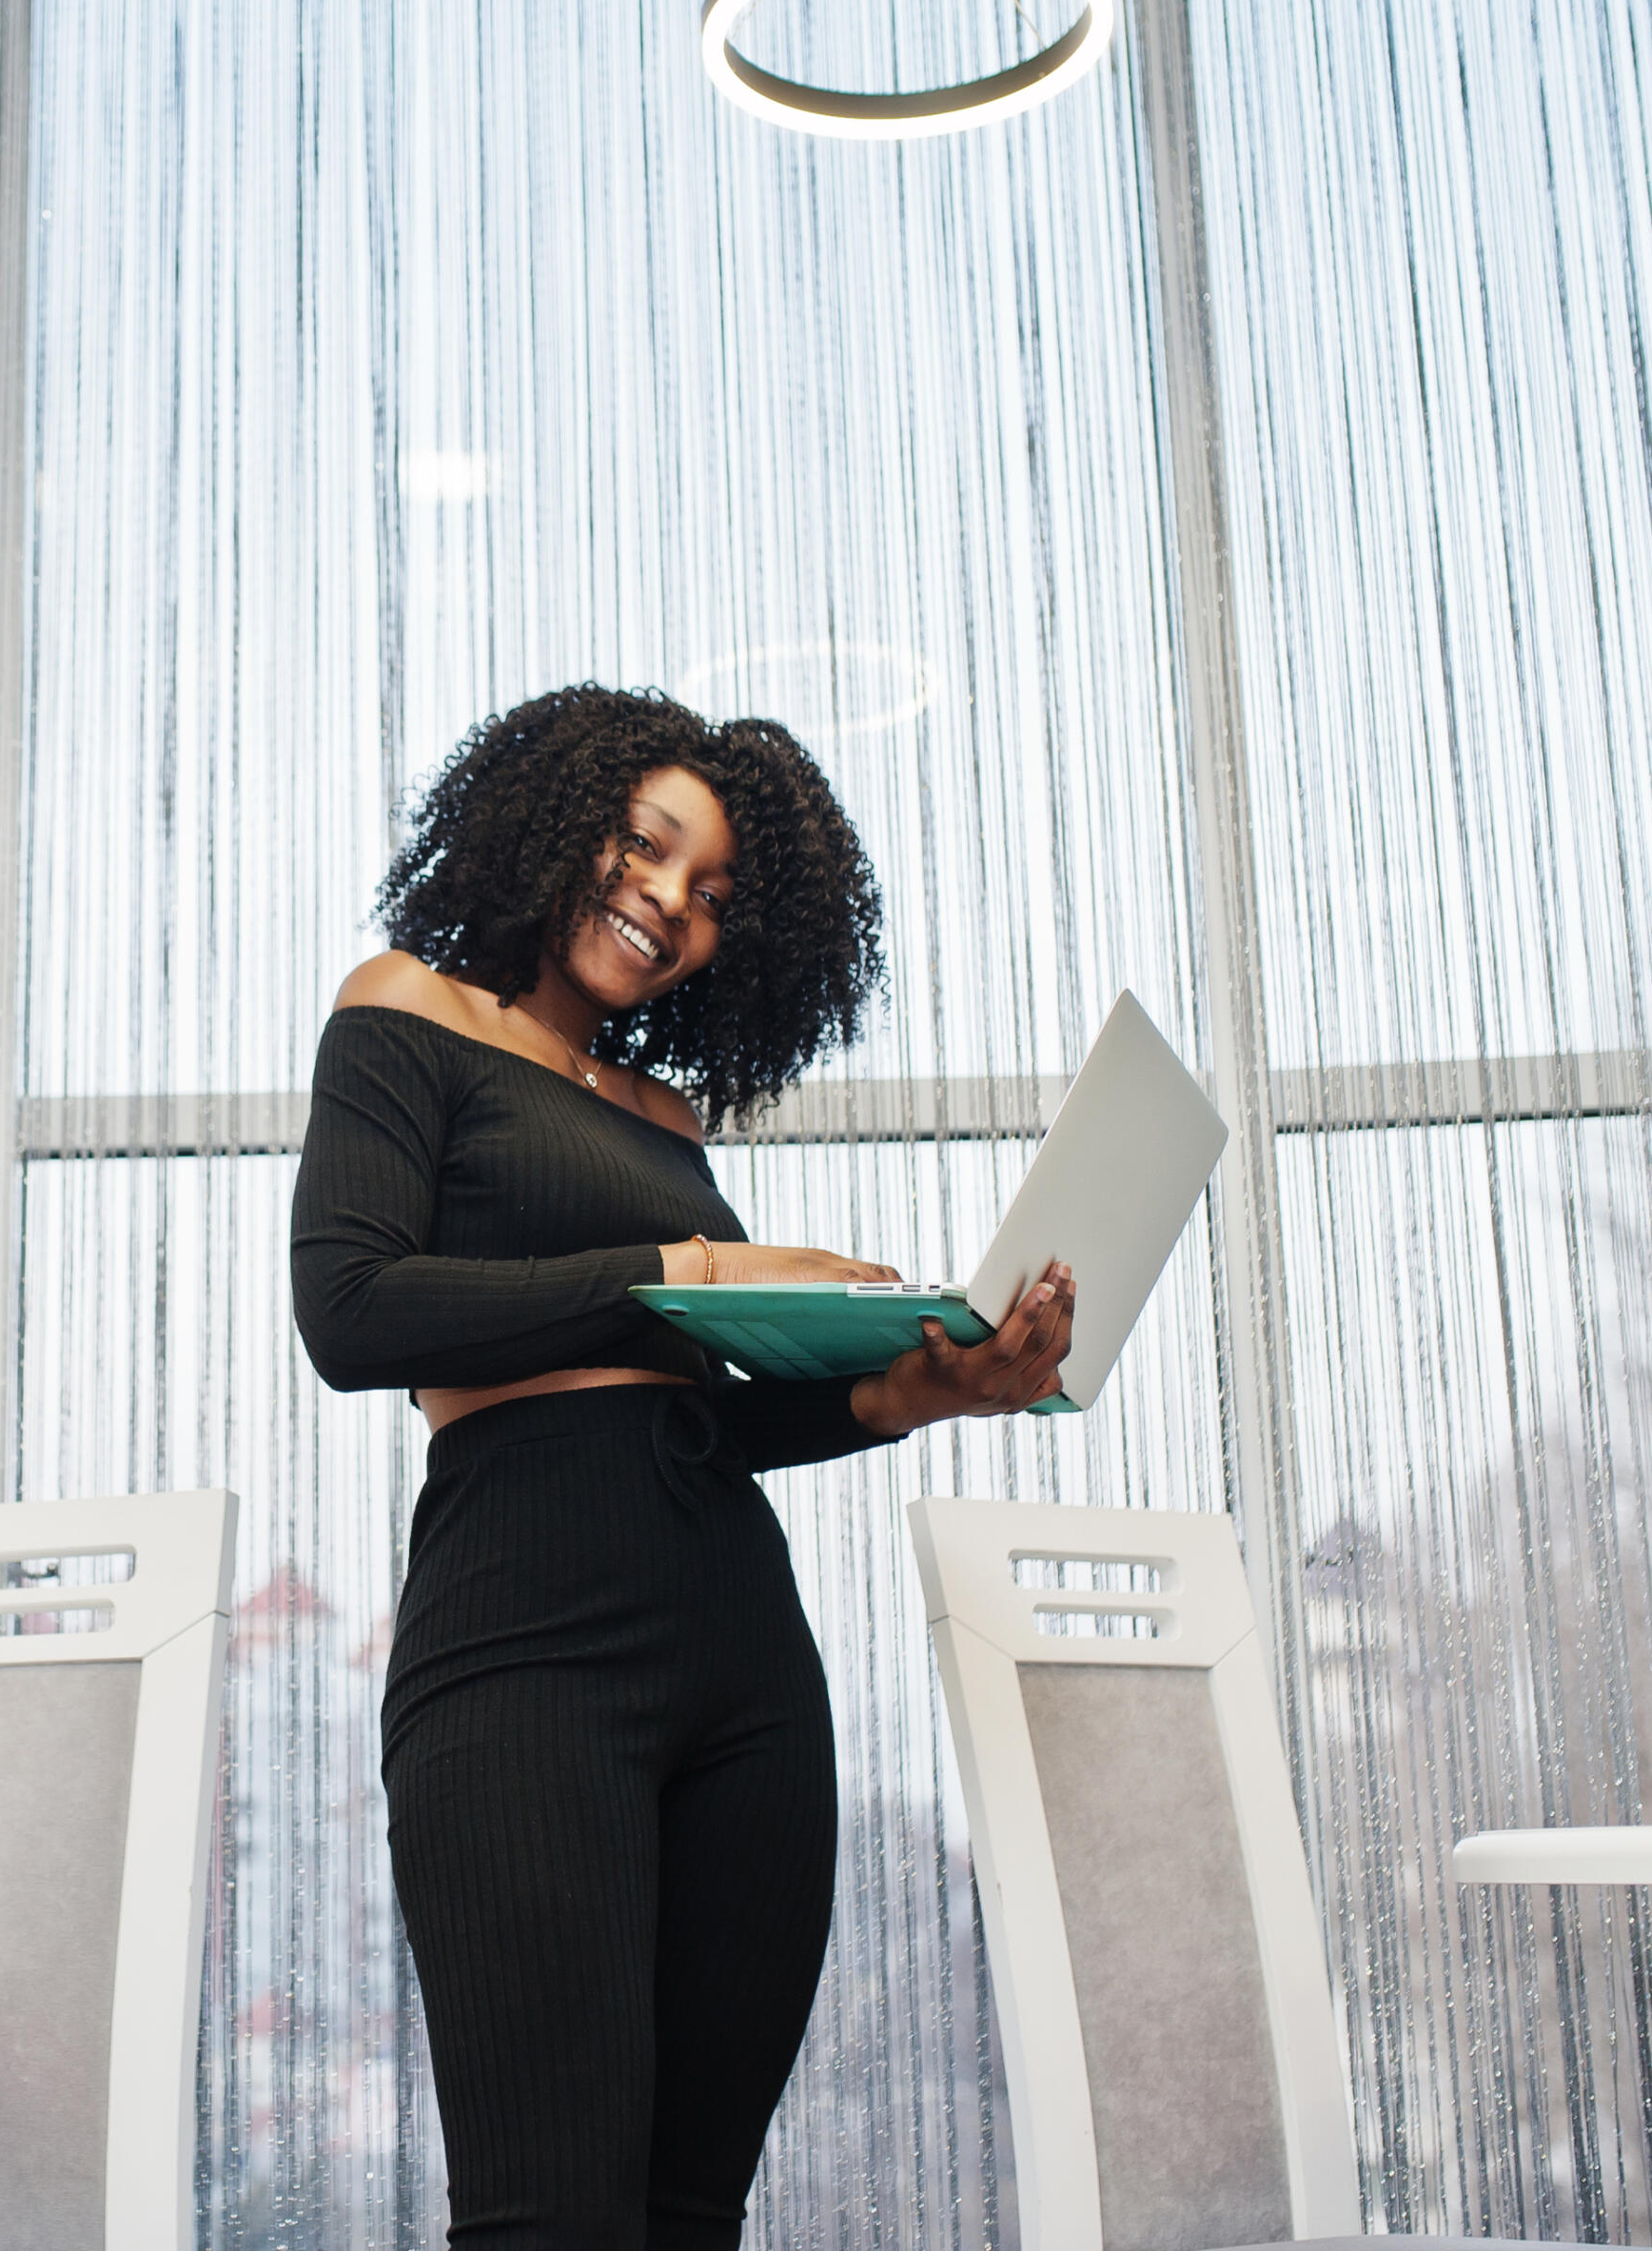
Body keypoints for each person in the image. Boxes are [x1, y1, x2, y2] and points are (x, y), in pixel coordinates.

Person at [290, 684, 1074, 2250]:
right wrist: (688, 1266)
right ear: (555, 821)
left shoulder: (664, 1117)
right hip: (525, 1651)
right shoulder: (408, 1010)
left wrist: (923, 1389)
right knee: (550, 2216)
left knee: (689, 2213)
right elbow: (354, 1309)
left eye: (713, 894)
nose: (669, 901)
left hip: (745, 1667)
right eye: (648, 847)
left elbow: (690, 1405)